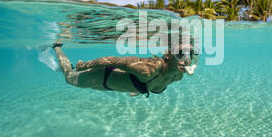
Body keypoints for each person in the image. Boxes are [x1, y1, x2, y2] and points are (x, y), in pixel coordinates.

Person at [52, 42, 197, 97]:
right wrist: (85, 65)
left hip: (112, 87)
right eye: (180, 54)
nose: (186, 60)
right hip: (103, 75)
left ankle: (73, 67)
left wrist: (139, 89)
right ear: (168, 54)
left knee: (79, 80)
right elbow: (111, 60)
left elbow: (153, 85)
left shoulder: (177, 76)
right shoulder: (148, 69)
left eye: (189, 54)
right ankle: (57, 48)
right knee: (70, 77)